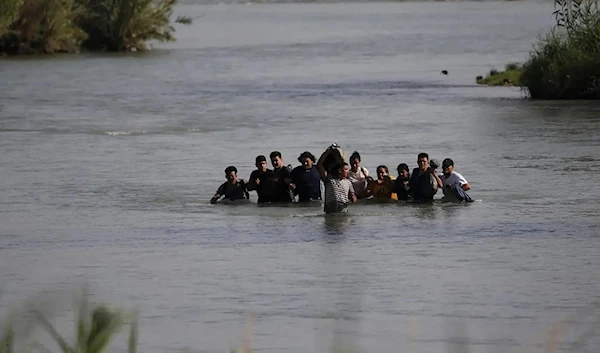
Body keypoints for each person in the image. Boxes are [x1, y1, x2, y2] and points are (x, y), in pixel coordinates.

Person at [317, 145, 357, 214]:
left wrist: (353, 198)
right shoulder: (329, 180)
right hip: (330, 213)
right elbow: (319, 165)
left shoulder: (348, 182)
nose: (348, 171)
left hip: (344, 212)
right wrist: (326, 153)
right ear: (340, 171)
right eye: (346, 169)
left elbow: (353, 196)